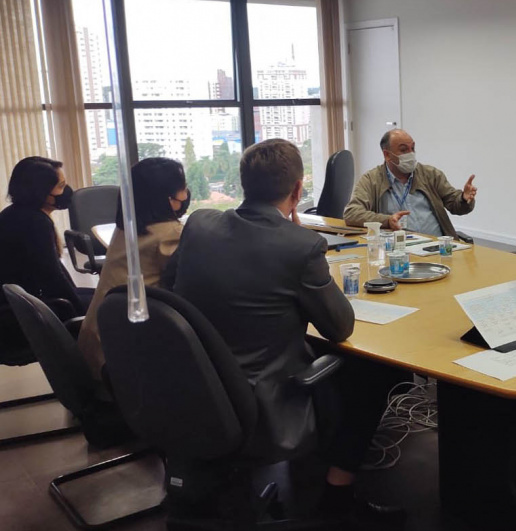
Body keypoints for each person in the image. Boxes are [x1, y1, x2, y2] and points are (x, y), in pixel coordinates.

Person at [161, 138, 404, 525]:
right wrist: (298, 242)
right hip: (260, 402)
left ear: (244, 183)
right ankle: (337, 495)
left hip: (195, 385)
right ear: (297, 189)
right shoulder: (302, 245)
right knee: (376, 371)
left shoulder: (200, 225)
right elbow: (340, 328)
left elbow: (169, 289)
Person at [77, 157, 189, 381]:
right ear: (169, 198)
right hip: (123, 359)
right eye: (183, 188)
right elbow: (187, 283)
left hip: (98, 342)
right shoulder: (170, 234)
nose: (186, 193)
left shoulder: (126, 229)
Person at [0, 156, 92, 315]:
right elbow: (54, 279)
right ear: (40, 192)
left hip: (20, 302)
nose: (67, 191)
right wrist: (82, 316)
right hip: (32, 308)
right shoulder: (36, 223)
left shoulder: (13, 214)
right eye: (61, 186)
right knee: (110, 303)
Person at [343, 129, 476, 238]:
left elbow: (456, 205)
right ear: (387, 155)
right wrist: (387, 220)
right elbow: (352, 213)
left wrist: (464, 198)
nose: (411, 154)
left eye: (412, 148)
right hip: (397, 251)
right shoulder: (371, 180)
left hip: (436, 248)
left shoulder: (430, 174)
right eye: (403, 150)